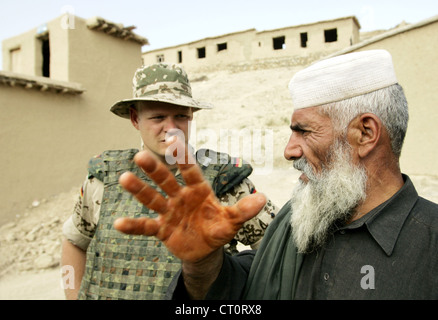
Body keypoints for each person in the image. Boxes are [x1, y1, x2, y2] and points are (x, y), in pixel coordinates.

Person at [114, 50, 438, 300]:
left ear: (365, 133)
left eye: (304, 131)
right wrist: (203, 263)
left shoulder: (430, 245)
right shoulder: (295, 220)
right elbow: (240, 291)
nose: (289, 151)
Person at [61, 63, 277, 300]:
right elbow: (74, 242)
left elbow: (277, 253)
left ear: (191, 117)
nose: (172, 129)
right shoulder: (104, 179)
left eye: (181, 117)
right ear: (135, 118)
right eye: (158, 117)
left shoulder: (224, 181)